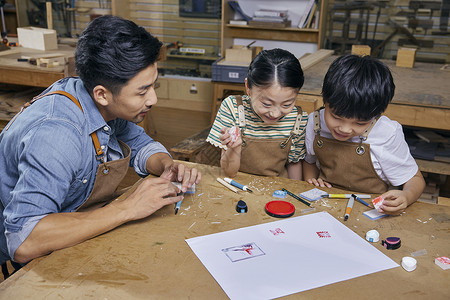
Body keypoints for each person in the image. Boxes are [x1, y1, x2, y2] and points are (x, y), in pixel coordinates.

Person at [0, 15, 201, 270]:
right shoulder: (56, 136)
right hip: (32, 247)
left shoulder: (100, 102)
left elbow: (138, 142)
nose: (153, 99)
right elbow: (24, 241)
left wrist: (166, 164)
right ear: (102, 94)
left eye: (154, 86)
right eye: (142, 91)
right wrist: (128, 208)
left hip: (67, 223)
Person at [303, 54, 425, 215]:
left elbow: (415, 179)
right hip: (325, 204)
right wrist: (311, 181)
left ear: (377, 114)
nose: (345, 129)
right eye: (336, 117)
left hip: (371, 210)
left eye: (360, 123)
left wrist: (407, 196)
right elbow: (309, 161)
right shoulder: (315, 122)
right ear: (325, 101)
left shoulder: (386, 133)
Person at [206, 48, 308, 179]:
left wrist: (295, 195)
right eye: (266, 104)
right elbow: (229, 172)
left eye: (286, 104)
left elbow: (294, 164)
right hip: (239, 184)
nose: (275, 113)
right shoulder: (233, 108)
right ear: (248, 87)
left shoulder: (298, 119)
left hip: (277, 189)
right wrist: (234, 148)